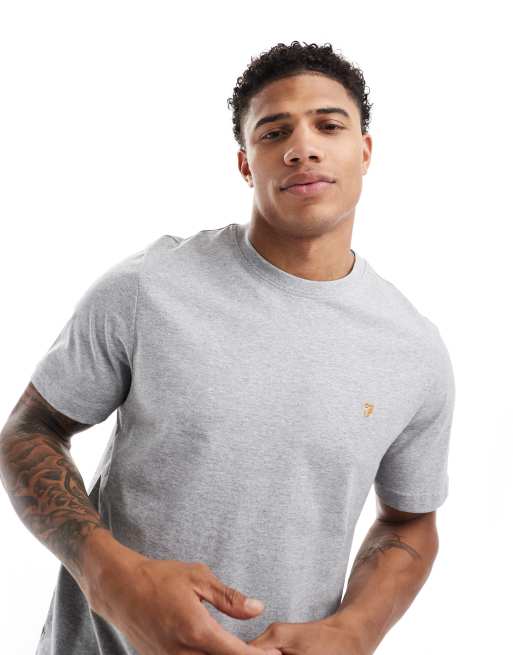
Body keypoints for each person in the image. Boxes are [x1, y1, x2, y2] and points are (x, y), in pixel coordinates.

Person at [0, 40, 456, 655]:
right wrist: (108, 577)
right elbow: (30, 430)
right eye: (274, 132)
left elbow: (410, 520)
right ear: (246, 163)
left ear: (365, 151)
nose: (302, 147)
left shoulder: (413, 350)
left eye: (328, 125)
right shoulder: (147, 289)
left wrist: (357, 629)